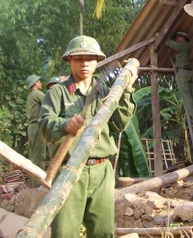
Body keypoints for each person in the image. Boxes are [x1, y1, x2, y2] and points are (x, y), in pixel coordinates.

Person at [38, 35, 138, 238]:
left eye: (90, 59)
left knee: (103, 232)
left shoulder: (108, 91)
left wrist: (126, 91)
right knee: (64, 232)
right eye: (79, 59)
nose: (85, 63)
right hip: (70, 171)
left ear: (97, 62)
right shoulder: (58, 93)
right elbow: (45, 125)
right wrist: (66, 125)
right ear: (69, 61)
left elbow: (120, 124)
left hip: (102, 170)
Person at [165, 31, 193, 127]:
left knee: (187, 97)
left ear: (182, 38)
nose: (177, 40)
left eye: (178, 38)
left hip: (182, 73)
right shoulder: (188, 46)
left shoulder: (182, 46)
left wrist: (165, 38)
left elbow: (168, 43)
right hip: (190, 73)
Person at [25, 74, 47, 187]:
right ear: (35, 84)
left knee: (32, 158)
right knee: (39, 157)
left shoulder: (30, 96)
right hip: (38, 127)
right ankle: (38, 186)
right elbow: (50, 101)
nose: (40, 83)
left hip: (31, 127)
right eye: (39, 81)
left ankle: (32, 185)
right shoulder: (37, 94)